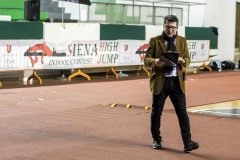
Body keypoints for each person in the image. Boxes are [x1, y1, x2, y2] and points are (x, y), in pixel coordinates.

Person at [144, 15, 199, 153]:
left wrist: (183, 61)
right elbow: (146, 59)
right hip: (160, 82)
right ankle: (156, 140)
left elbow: (188, 58)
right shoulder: (155, 41)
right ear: (163, 26)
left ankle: (187, 143)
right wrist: (155, 61)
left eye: (173, 27)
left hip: (176, 83)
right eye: (168, 27)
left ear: (177, 28)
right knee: (157, 113)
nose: (170, 30)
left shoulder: (182, 41)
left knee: (183, 114)